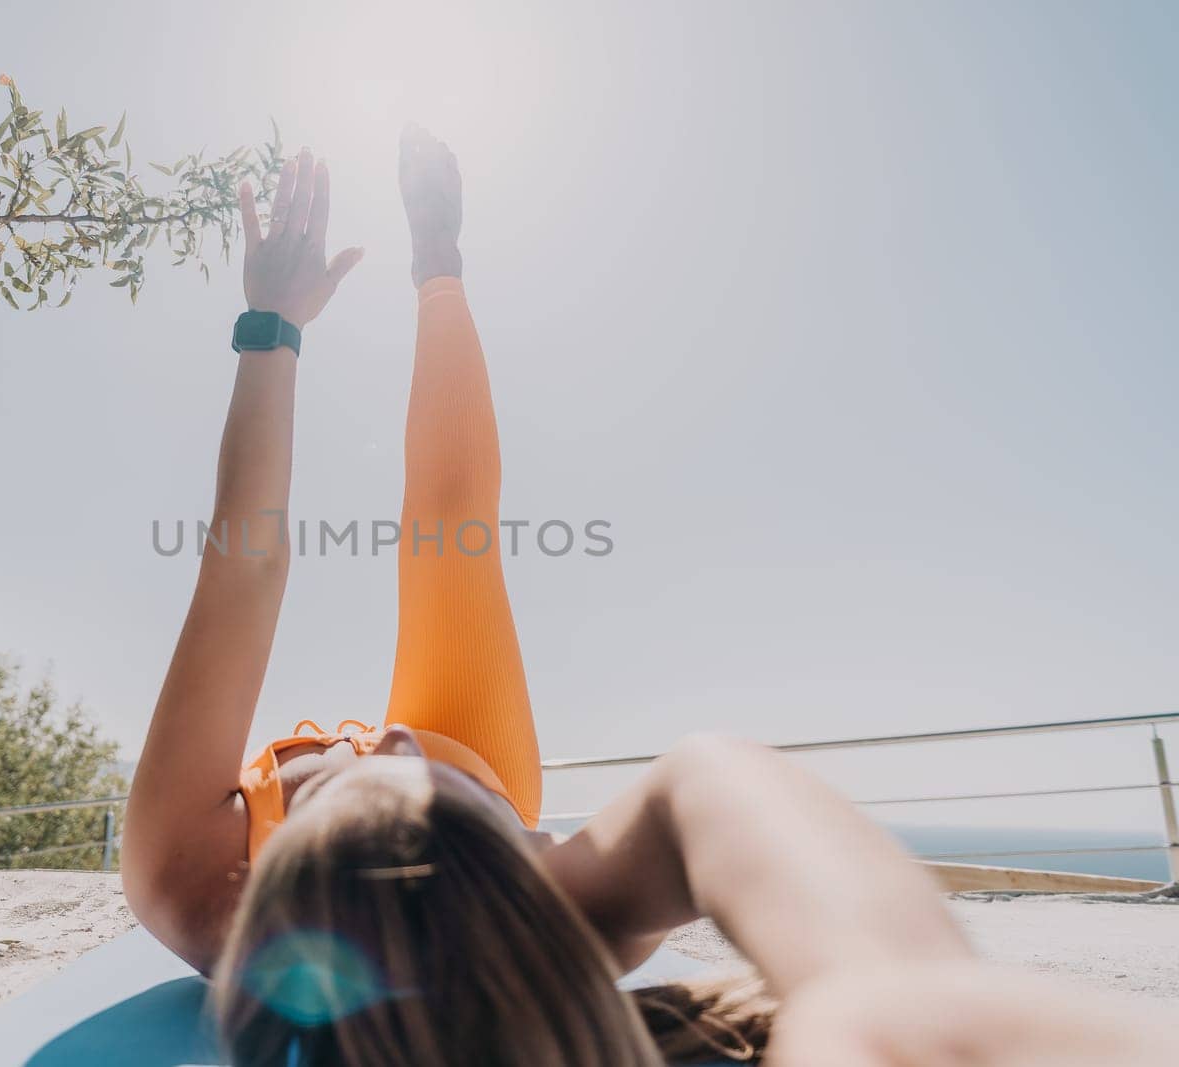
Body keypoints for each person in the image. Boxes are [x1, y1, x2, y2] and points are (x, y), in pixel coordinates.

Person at [123, 128, 1177, 1065]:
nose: (386, 735)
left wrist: (271, 325)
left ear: (279, 905)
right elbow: (711, 782)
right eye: (484, 824)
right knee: (452, 533)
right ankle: (441, 266)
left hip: (411, 860)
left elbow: (247, 558)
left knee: (438, 537)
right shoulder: (542, 900)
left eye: (352, 777)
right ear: (522, 850)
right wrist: (888, 1000)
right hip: (478, 749)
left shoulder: (189, 877)